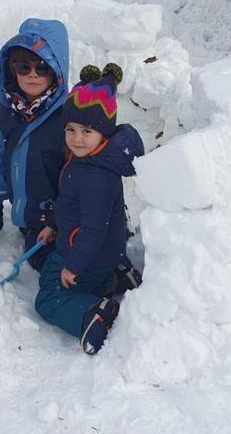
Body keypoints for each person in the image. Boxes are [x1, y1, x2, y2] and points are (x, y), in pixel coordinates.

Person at [34, 63, 145, 355]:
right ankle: (115, 272)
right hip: (96, 251)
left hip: (88, 255)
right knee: (47, 270)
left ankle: (94, 313)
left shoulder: (96, 176)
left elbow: (94, 231)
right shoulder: (85, 160)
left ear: (104, 133)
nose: (76, 138)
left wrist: (74, 265)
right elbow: (70, 202)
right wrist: (54, 224)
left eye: (86, 130)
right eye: (70, 129)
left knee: (47, 299)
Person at [0, 18, 69, 270]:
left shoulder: (66, 116)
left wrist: (62, 214)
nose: (32, 74)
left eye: (42, 67)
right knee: (38, 254)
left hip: (58, 213)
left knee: (50, 261)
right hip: (27, 215)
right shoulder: (5, 112)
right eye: (23, 67)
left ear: (56, 70)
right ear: (11, 70)